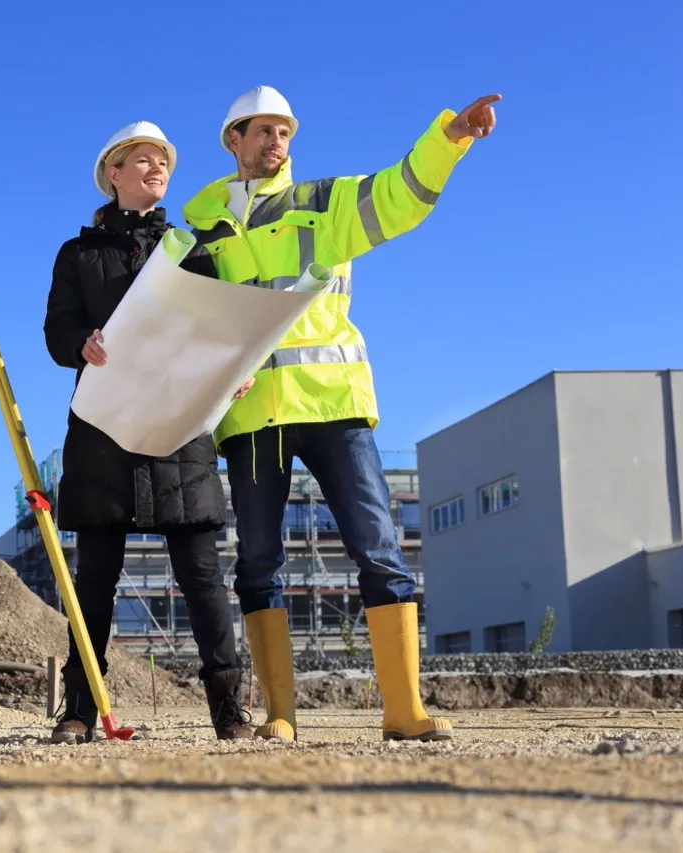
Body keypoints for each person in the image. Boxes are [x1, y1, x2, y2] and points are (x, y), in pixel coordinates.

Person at [181, 86, 501, 743]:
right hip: (252, 417)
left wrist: (448, 140)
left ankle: (404, 710)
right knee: (258, 564)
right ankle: (280, 716)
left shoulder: (325, 203)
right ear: (234, 140)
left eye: (285, 131)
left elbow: (399, 194)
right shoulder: (200, 232)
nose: (277, 141)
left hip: (334, 402)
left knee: (379, 549)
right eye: (263, 130)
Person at [43, 120, 254, 744]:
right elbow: (56, 333)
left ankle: (229, 712)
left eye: (162, 160)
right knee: (94, 582)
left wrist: (233, 371)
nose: (156, 168)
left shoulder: (189, 250)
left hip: (178, 429)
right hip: (104, 429)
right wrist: (80, 345)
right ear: (114, 174)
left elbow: (220, 328)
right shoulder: (78, 255)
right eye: (142, 159)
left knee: (202, 577)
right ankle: (79, 711)